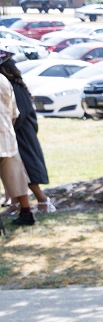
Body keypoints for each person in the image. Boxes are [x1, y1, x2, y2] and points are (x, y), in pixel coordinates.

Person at [1, 53, 52, 213]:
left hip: (20, 135)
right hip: (12, 135)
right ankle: (18, 206)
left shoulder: (15, 87)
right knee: (14, 175)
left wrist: (10, 131)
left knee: (24, 173)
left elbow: (18, 114)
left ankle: (42, 202)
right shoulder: (9, 84)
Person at [0, 51, 33, 226]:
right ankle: (27, 213)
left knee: (16, 176)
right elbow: (15, 113)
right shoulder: (4, 81)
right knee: (17, 176)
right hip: (7, 136)